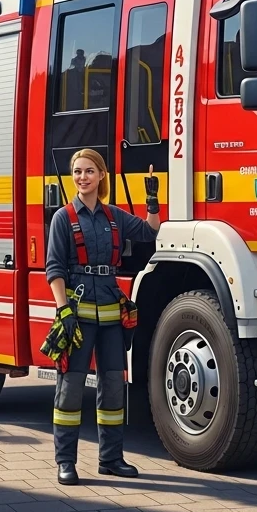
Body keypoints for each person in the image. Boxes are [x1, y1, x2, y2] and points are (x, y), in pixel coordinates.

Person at [45, 148, 160, 486]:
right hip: (77, 318)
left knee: (112, 389)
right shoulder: (63, 218)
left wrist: (151, 199)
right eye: (77, 171)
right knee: (69, 391)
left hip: (111, 318)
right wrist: (63, 308)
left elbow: (150, 232)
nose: (82, 177)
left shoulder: (114, 216)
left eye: (89, 171)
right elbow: (55, 268)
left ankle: (111, 459)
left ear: (101, 176)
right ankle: (65, 462)